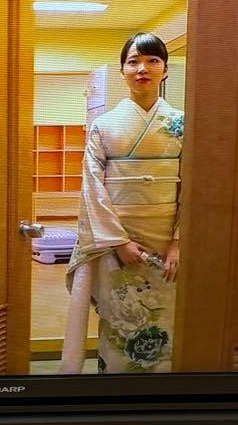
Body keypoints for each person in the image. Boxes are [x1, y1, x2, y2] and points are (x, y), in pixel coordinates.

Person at [59, 32, 185, 375]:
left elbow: (193, 185)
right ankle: (114, 386)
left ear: (165, 70)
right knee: (120, 316)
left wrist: (178, 242)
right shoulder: (102, 125)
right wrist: (119, 241)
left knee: (166, 314)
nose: (142, 68)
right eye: (133, 61)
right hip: (117, 239)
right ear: (122, 71)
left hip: (166, 239)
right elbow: (92, 186)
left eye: (152, 61)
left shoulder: (183, 124)